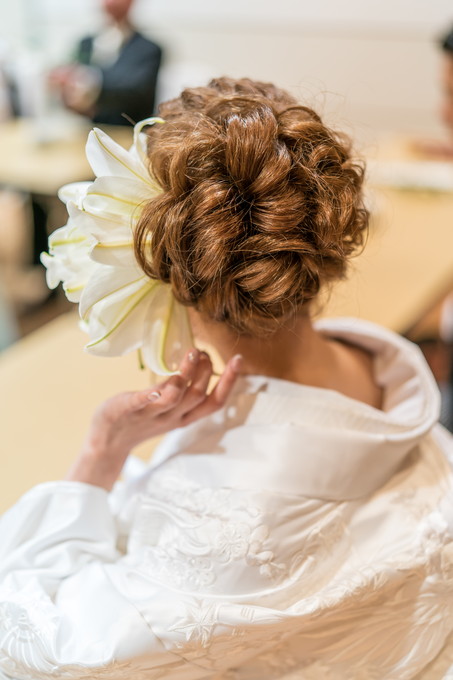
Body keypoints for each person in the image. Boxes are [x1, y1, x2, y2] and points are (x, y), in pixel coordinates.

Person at [1, 77, 453, 679]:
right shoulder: (395, 377)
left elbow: (38, 652)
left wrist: (99, 457)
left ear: (155, 252)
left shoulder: (213, 522)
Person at [51, 0, 162, 125]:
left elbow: (136, 91)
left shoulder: (148, 49)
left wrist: (88, 82)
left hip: (129, 133)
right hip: (90, 131)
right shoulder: (86, 44)